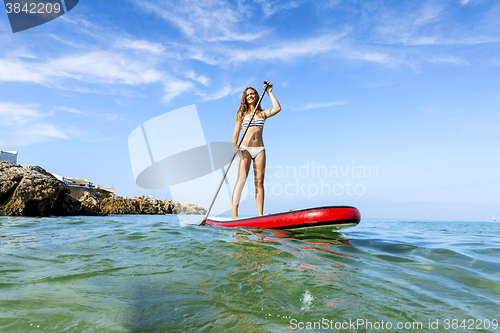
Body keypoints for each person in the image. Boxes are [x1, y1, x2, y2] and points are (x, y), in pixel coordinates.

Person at [231, 81, 281, 219]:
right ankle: (234, 214)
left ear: (257, 95)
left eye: (252, 93)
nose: (250, 96)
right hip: (245, 149)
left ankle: (260, 215)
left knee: (259, 182)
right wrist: (234, 146)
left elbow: (277, 108)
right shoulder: (242, 113)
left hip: (260, 149)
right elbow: (236, 132)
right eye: (248, 95)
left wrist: (269, 92)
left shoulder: (262, 113)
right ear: (245, 98)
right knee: (241, 181)